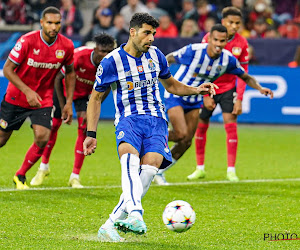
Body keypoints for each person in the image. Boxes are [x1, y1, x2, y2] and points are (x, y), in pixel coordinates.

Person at [83, 13, 217, 242]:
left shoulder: (156, 56)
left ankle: (109, 224)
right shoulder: (111, 62)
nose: (152, 38)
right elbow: (95, 99)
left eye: (154, 33)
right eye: (147, 32)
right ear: (132, 32)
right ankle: (136, 213)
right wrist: (91, 134)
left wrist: (196, 89)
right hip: (129, 119)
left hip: (156, 120)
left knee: (150, 168)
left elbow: (171, 84)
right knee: (130, 160)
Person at [153, 22, 274, 185]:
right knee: (180, 134)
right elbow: (168, 58)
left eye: (222, 41)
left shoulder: (227, 60)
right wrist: (161, 77)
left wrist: (259, 88)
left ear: (226, 42)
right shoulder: (193, 51)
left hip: (195, 99)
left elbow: (244, 76)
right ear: (209, 38)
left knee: (187, 141)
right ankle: (151, 136)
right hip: (177, 95)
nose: (218, 44)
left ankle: (159, 171)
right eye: (216, 40)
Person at [0, 6, 75, 190]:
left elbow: (70, 73)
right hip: (16, 97)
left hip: (43, 100)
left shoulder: (66, 46)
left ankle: (20, 175)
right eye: (49, 22)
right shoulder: (27, 41)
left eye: (57, 23)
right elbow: (8, 70)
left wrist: (68, 103)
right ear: (42, 23)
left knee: (43, 137)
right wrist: (27, 91)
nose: (53, 27)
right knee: (1, 139)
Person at [30, 33, 116, 188]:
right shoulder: (79, 56)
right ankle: (43, 167)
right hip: (63, 91)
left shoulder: (111, 64)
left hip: (84, 96)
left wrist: (93, 106)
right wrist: (64, 106)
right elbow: (58, 78)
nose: (106, 55)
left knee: (84, 129)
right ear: (95, 49)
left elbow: (108, 87)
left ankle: (75, 176)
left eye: (109, 51)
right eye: (103, 51)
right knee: (54, 126)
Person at [188, 7, 250, 182]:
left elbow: (243, 74)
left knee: (231, 124)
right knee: (201, 125)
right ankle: (200, 168)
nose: (234, 26)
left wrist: (239, 98)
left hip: (228, 89)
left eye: (237, 23)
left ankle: (231, 170)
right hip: (208, 87)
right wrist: (206, 94)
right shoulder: (209, 38)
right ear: (223, 22)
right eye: (231, 22)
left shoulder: (242, 43)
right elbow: (200, 66)